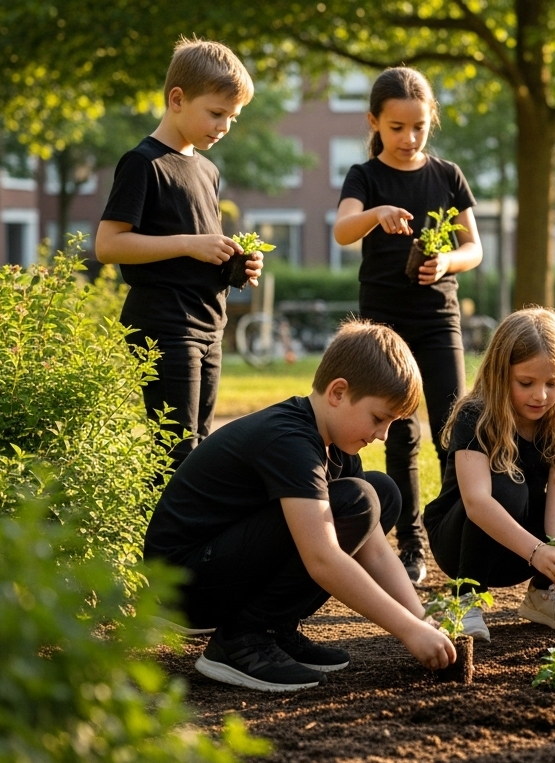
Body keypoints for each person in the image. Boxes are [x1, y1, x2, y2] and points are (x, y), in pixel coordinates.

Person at [143, 320, 457, 693]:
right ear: (338, 392)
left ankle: (275, 628)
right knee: (356, 500)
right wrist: (406, 632)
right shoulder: (289, 439)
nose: (382, 435)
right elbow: (322, 558)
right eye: (378, 418)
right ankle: (242, 641)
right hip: (182, 585)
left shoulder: (335, 446)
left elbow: (372, 549)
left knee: (379, 492)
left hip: (218, 567)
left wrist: (420, 620)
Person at [333, 66, 483, 587]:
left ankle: (458, 537)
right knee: (398, 434)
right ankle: (410, 545)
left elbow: (474, 247)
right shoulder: (363, 177)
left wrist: (447, 264)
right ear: (375, 121)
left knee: (453, 430)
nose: (409, 137)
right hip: (383, 325)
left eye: (418, 126)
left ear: (430, 122)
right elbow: (341, 230)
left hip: (439, 319)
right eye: (396, 127)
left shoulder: (447, 176)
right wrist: (376, 213)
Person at [96, 37, 263, 468]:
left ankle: (187, 536)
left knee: (199, 448)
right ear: (177, 99)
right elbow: (108, 244)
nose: (224, 125)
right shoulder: (143, 163)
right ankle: (163, 537)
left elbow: (201, 255)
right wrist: (191, 243)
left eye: (233, 117)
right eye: (216, 113)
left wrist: (235, 265)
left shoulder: (208, 170)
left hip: (209, 324)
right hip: (165, 324)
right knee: (175, 451)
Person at [423, 308, 555, 640]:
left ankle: (543, 598)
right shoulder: (475, 417)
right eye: (526, 383)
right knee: (507, 487)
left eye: (552, 383)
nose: (540, 395)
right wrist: (537, 551)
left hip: (520, 551)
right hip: (461, 545)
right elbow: (476, 503)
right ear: (501, 374)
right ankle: (466, 600)